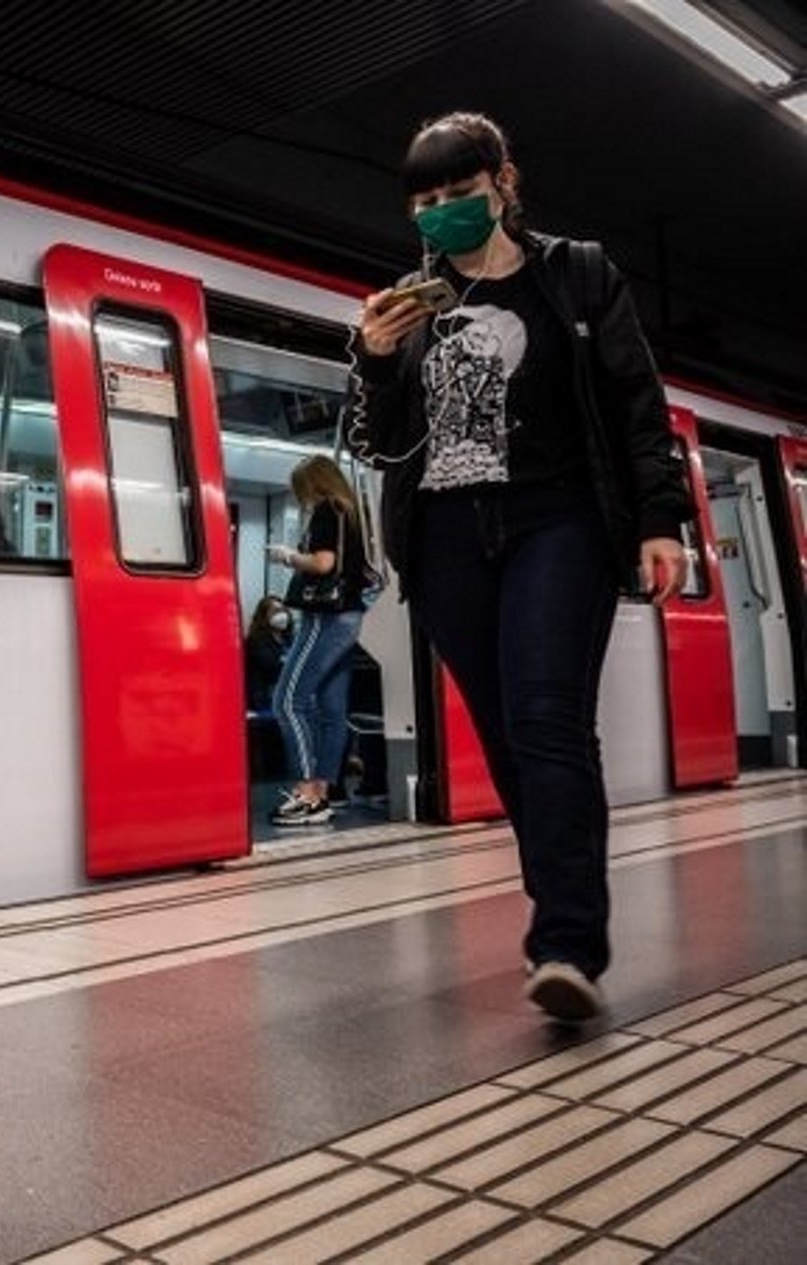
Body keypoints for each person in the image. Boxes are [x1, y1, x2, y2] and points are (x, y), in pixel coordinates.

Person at [343, 112, 693, 1022]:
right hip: (448, 536)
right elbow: (387, 445)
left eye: (459, 192)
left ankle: (567, 940)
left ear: (503, 183)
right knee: (504, 737)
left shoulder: (576, 274)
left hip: (558, 519)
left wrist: (661, 518)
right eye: (425, 200)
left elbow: (634, 400)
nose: (442, 212)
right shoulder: (413, 309)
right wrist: (377, 361)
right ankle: (564, 907)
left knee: (547, 719)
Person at [265, 456, 373, 828]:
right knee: (332, 711)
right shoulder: (354, 514)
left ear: (313, 485)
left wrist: (289, 557)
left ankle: (308, 791)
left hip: (324, 617)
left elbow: (324, 564)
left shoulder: (327, 510)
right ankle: (325, 793)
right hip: (351, 617)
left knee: (287, 700)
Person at [243, 595, 292, 713]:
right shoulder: (256, 640)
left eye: (283, 610)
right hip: (266, 695)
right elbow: (271, 667)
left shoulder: (288, 639)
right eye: (275, 611)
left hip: (284, 690)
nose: (282, 615)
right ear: (264, 616)